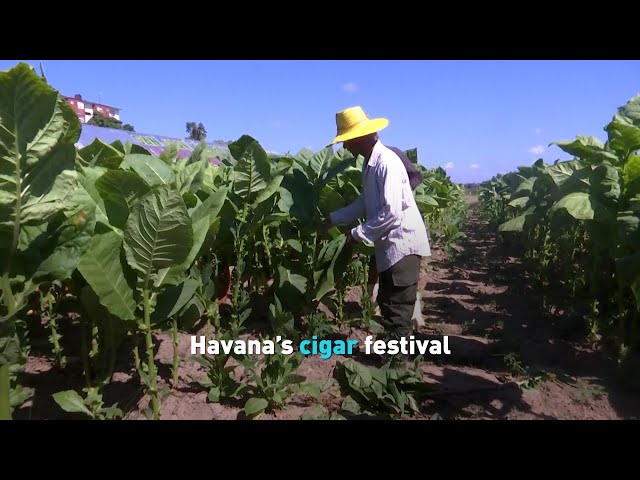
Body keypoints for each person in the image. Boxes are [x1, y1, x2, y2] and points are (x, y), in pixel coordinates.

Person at [321, 106, 431, 363]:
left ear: (360, 137)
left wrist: (356, 234)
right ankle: (393, 363)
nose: (345, 147)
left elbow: (391, 212)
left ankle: (396, 372)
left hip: (402, 246)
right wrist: (332, 219)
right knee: (388, 301)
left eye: (346, 141)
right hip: (391, 247)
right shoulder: (370, 165)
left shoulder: (386, 163)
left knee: (397, 310)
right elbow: (364, 202)